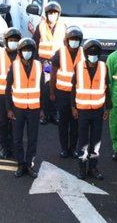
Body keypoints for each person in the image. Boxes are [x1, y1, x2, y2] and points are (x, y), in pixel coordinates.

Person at [71, 40, 111, 180]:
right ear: (85, 54)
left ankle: (93, 168)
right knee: (82, 141)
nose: (93, 56)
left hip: (98, 110)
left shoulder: (103, 67)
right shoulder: (79, 66)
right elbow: (73, 89)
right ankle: (82, 169)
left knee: (96, 141)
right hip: (82, 110)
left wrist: (108, 108)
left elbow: (107, 89)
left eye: (95, 53)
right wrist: (73, 107)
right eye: (90, 53)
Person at [6, 38, 43, 177]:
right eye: (24, 50)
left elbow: (42, 88)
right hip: (18, 109)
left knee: (33, 138)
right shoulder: (14, 66)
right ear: (20, 52)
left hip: (34, 108)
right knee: (17, 138)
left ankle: (29, 164)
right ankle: (21, 164)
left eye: (29, 50)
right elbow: (7, 88)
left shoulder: (39, 65)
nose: (27, 52)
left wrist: (42, 109)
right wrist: (9, 109)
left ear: (33, 52)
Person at [49, 26, 84, 159]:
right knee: (63, 122)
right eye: (72, 39)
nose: (74, 42)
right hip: (62, 94)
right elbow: (53, 75)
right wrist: (52, 92)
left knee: (76, 123)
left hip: (78, 95)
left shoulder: (84, 53)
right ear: (67, 40)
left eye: (77, 39)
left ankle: (74, 148)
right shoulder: (59, 53)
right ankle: (64, 148)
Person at [33, 1, 66, 125]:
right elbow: (34, 44)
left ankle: (54, 113)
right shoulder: (40, 26)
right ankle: (44, 114)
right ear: (46, 14)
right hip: (44, 62)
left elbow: (66, 45)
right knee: (45, 88)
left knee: (57, 87)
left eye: (55, 13)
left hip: (58, 63)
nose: (52, 15)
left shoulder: (63, 27)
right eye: (50, 13)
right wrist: (36, 62)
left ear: (58, 15)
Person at [0, 28, 20, 159]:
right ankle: (5, 148)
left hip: (17, 96)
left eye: (16, 40)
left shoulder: (22, 56)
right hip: (2, 96)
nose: (13, 42)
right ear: (6, 41)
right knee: (3, 123)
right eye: (11, 40)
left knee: (15, 124)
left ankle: (14, 148)